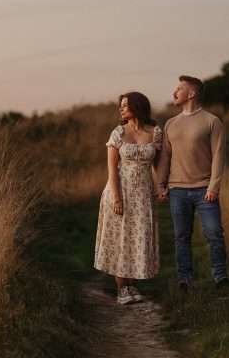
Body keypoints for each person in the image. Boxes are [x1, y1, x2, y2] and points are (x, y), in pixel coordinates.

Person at [155, 75, 229, 291]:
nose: (174, 93)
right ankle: (184, 279)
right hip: (177, 189)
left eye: (179, 89)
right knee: (181, 236)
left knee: (214, 233)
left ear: (192, 93)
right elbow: (166, 158)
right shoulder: (170, 123)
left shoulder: (212, 121)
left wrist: (214, 187)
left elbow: (218, 156)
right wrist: (160, 185)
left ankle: (220, 277)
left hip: (205, 189)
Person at [94, 92, 162, 305]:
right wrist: (117, 198)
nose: (121, 109)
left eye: (126, 105)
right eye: (120, 106)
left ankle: (132, 285)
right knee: (121, 238)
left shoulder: (155, 132)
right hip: (120, 190)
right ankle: (122, 288)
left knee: (138, 236)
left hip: (143, 193)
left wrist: (161, 187)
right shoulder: (118, 133)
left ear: (138, 106)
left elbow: (157, 166)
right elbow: (112, 169)